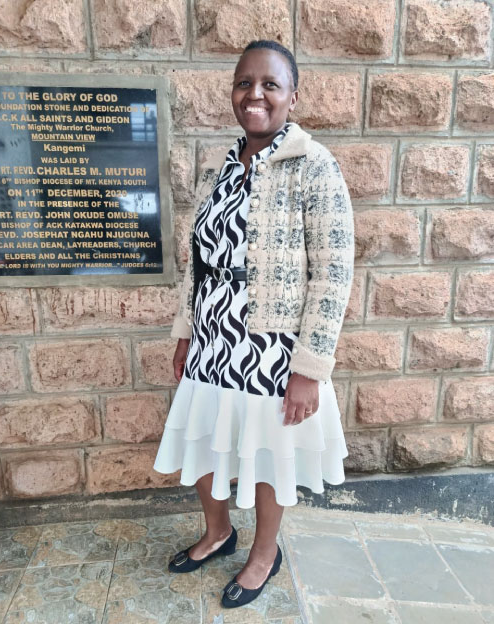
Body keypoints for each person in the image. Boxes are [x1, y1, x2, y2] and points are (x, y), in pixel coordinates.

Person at [154, 39, 354, 609]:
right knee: (202, 440)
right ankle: (219, 532)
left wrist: (310, 369)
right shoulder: (219, 170)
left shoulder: (315, 166)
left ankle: (265, 554)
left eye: (270, 84)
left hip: (272, 347)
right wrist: (185, 332)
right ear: (233, 92)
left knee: (267, 454)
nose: (255, 94)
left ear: (293, 96)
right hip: (211, 339)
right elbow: (197, 262)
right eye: (245, 83)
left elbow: (334, 273)